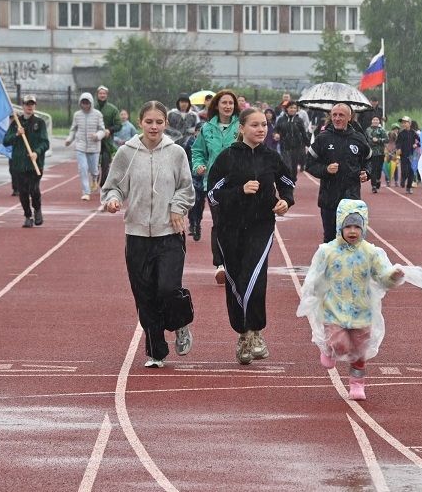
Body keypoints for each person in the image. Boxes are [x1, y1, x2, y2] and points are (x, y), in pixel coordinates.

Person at [102, 101, 195, 369]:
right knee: (145, 296)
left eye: (159, 122)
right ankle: (156, 351)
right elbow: (113, 186)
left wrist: (177, 208)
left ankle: (180, 323)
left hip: (170, 233)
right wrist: (112, 200)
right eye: (149, 122)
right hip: (137, 234)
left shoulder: (176, 153)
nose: (154, 127)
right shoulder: (126, 153)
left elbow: (186, 188)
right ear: (140, 122)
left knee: (168, 288)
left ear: (166, 123)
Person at [206, 107, 295, 365]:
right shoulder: (227, 157)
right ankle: (242, 334)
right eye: (255, 125)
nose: (261, 129)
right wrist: (240, 190)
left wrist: (286, 201)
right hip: (230, 228)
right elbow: (212, 195)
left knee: (255, 276)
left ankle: (256, 331)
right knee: (236, 280)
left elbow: (287, 182)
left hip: (261, 226)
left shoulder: (271, 157)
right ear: (241, 128)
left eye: (264, 125)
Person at [297, 199, 406, 401]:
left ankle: (357, 383)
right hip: (333, 309)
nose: (353, 231)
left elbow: (382, 276)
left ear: (364, 227)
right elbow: (315, 275)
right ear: (340, 227)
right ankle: (329, 349)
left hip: (362, 311)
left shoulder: (371, 253)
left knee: (359, 350)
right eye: (348, 226)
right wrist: (312, 292)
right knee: (340, 344)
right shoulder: (328, 251)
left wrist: (393, 276)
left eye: (357, 226)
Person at [191, 89, 241, 284]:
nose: (227, 106)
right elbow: (197, 151)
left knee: (237, 223)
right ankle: (220, 264)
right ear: (217, 106)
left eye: (231, 103)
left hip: (238, 183)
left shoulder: (241, 126)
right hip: (214, 184)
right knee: (219, 223)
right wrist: (198, 165)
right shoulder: (207, 128)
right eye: (224, 103)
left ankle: (236, 262)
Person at [306, 103, 372, 242]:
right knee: (330, 239)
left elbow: (369, 160)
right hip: (329, 198)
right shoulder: (323, 138)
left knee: (351, 238)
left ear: (349, 117)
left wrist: (367, 172)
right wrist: (325, 169)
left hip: (352, 198)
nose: (337, 118)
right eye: (334, 115)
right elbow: (309, 164)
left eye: (341, 115)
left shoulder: (358, 138)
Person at [3, 94, 49, 228]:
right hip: (19, 164)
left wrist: (36, 152)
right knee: (23, 192)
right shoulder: (16, 123)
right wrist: (17, 134)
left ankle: (37, 209)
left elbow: (45, 143)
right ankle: (28, 216)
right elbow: (5, 141)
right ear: (23, 106)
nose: (30, 107)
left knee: (33, 189)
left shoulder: (39, 123)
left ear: (35, 106)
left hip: (35, 164)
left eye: (32, 104)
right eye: (27, 104)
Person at [64, 92, 106, 201]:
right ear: (80, 103)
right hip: (80, 146)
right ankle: (86, 192)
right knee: (83, 168)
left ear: (91, 103)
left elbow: (102, 130)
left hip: (94, 147)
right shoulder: (77, 115)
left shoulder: (97, 114)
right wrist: (69, 139)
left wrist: (97, 136)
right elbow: (73, 129)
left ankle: (94, 178)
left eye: (87, 103)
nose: (85, 105)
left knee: (94, 169)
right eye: (83, 103)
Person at [95, 85, 122, 187]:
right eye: (100, 93)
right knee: (93, 164)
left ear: (107, 95)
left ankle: (103, 184)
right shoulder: (92, 108)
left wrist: (109, 130)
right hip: (94, 141)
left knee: (105, 164)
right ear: (97, 95)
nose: (102, 95)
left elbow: (118, 125)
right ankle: (95, 178)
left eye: (104, 93)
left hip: (107, 142)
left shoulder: (112, 109)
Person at [274, 101, 309, 177]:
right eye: (291, 108)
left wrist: (308, 145)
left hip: (296, 147)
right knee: (287, 165)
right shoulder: (281, 119)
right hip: (284, 146)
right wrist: (276, 134)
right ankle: (287, 181)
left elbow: (304, 133)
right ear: (287, 108)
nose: (293, 109)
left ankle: (292, 180)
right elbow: (276, 129)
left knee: (293, 167)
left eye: (294, 108)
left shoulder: (299, 120)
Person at [365, 116, 389, 193]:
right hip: (372, 153)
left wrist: (378, 140)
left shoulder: (381, 130)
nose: (375, 121)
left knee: (379, 168)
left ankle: (378, 180)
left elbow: (387, 139)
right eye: (374, 120)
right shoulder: (368, 130)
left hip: (380, 153)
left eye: (377, 120)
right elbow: (366, 139)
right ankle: (374, 186)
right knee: (373, 169)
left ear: (379, 121)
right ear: (371, 121)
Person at [395, 116, 418, 194]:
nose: (403, 124)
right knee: (404, 170)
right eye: (402, 123)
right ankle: (403, 178)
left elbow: (420, 140)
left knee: (411, 171)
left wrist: (416, 144)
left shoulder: (413, 133)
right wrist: (398, 148)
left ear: (410, 123)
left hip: (412, 155)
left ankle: (409, 187)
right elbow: (398, 143)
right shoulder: (401, 133)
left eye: (405, 122)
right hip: (403, 155)